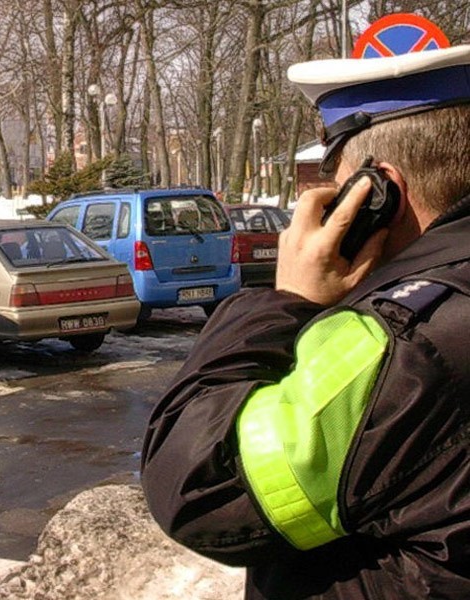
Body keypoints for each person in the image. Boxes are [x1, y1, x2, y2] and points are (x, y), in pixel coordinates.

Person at [140, 44, 470, 600]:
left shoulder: (402, 342)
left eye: (335, 180)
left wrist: (285, 299)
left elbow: (200, 488)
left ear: (378, 192)